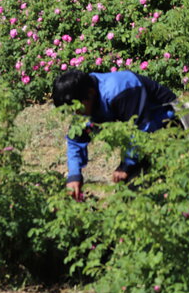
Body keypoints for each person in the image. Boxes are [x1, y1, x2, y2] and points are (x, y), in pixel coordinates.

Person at [52, 69, 178, 201]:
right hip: (140, 132)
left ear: (91, 93)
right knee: (130, 191)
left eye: (77, 109)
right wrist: (74, 175)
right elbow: (75, 141)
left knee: (170, 176)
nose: (76, 114)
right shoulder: (82, 99)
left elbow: (142, 130)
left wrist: (126, 165)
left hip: (168, 119)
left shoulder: (119, 89)